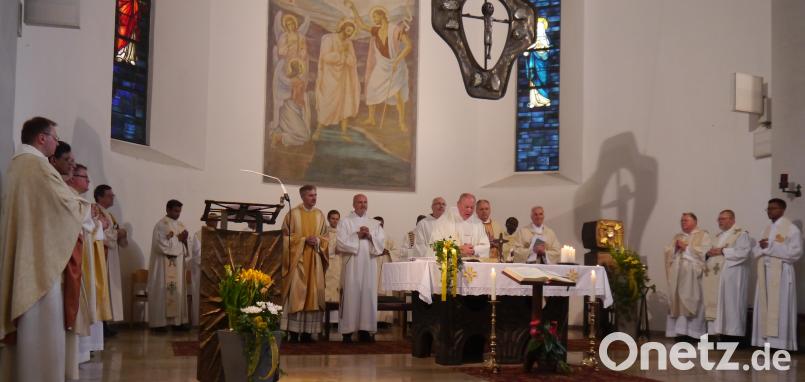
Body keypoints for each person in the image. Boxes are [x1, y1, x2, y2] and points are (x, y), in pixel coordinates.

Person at [0, 117, 88, 382]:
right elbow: (64, 205)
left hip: (29, 253)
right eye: (55, 138)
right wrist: (85, 207)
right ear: (42, 138)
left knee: (30, 325)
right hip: (40, 262)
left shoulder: (18, 165)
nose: (56, 143)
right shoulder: (38, 167)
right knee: (42, 325)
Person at [346, 1, 412, 131]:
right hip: (382, 66)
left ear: (382, 16)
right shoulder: (375, 30)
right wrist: (353, 8)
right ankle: (371, 119)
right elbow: (361, 25)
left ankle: (402, 122)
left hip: (395, 66)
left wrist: (397, 61)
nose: (374, 19)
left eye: (375, 17)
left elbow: (409, 46)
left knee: (397, 94)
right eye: (373, 18)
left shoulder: (395, 30)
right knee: (371, 88)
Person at [67, 165, 109, 365]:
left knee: (92, 298)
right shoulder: (72, 198)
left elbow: (93, 226)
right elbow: (84, 225)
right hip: (80, 259)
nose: (88, 182)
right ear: (73, 177)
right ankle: (82, 349)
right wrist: (97, 222)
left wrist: (98, 222)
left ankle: (88, 347)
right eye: (85, 177)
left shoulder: (84, 202)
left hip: (89, 257)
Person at [280, 185, 330, 343]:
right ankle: (294, 332)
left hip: (314, 260)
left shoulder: (320, 215)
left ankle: (308, 332)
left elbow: (326, 237)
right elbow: (284, 237)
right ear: (302, 197)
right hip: (298, 262)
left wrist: (318, 241)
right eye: (310, 195)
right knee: (297, 293)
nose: (314, 198)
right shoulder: (293, 214)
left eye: (315, 195)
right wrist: (303, 240)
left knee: (313, 295)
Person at [752, 198, 802, 350]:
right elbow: (757, 250)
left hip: (781, 273)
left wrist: (771, 247)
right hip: (766, 272)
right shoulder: (766, 229)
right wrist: (761, 247)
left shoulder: (792, 229)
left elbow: (796, 253)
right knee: (765, 305)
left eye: (772, 208)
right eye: (768, 208)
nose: (769, 211)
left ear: (782, 209)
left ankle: (780, 343)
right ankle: (764, 342)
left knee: (780, 307)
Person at [336, 194, 385, 343]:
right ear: (353, 204)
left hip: (369, 265)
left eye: (365, 202)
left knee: (367, 295)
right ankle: (348, 332)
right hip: (352, 264)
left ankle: (365, 330)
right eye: (359, 202)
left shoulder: (374, 223)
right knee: (352, 294)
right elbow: (340, 243)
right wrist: (357, 235)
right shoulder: (345, 222)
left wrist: (370, 236)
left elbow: (380, 245)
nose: (363, 205)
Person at [703, 210, 752, 339]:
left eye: (723, 219)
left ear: (732, 220)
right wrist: (708, 254)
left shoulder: (741, 234)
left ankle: (732, 336)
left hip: (732, 278)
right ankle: (715, 335)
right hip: (717, 278)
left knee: (731, 306)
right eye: (719, 219)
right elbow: (709, 252)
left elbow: (744, 252)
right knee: (718, 306)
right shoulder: (718, 236)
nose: (720, 221)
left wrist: (723, 251)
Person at [665, 212, 712, 340]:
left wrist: (686, 248)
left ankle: (693, 334)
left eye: (686, 220)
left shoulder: (703, 235)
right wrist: (674, 248)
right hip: (678, 275)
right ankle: (679, 333)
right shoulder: (677, 236)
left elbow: (705, 253)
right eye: (681, 221)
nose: (683, 223)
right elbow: (668, 253)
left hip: (693, 277)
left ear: (695, 222)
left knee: (692, 301)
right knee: (677, 301)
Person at [312, 19, 360, 142]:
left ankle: (344, 133)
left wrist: (345, 56)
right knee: (327, 101)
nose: (349, 34)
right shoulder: (329, 39)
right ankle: (318, 130)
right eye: (348, 30)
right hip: (330, 77)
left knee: (345, 102)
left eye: (351, 32)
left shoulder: (349, 43)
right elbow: (325, 57)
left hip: (344, 78)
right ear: (343, 28)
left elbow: (353, 61)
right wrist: (341, 55)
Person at [147, 199, 190, 330]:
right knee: (163, 292)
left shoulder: (181, 225)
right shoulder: (161, 225)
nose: (178, 214)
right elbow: (162, 246)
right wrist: (179, 240)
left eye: (179, 211)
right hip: (163, 268)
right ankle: (160, 324)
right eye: (176, 211)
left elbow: (186, 246)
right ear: (168, 209)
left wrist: (185, 241)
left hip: (178, 266)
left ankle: (178, 323)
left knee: (177, 291)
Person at [94, 185, 129, 330]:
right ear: (100, 197)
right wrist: (117, 234)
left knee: (109, 290)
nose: (112, 197)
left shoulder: (109, 215)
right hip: (102, 255)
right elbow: (98, 232)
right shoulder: (95, 211)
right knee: (103, 289)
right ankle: (101, 325)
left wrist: (122, 234)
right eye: (109, 195)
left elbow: (111, 233)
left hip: (111, 256)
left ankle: (106, 323)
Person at [430, 193, 490, 259]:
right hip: (450, 265)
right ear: (458, 205)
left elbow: (485, 246)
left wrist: (473, 250)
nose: (469, 210)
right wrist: (457, 250)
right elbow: (435, 245)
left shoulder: (478, 224)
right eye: (466, 207)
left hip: (473, 264)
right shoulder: (443, 221)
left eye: (472, 207)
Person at [189, 214, 218, 327]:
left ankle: (214, 322)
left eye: (217, 220)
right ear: (207, 221)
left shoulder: (219, 234)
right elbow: (196, 254)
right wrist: (208, 260)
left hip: (215, 271)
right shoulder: (198, 234)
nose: (216, 222)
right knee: (201, 297)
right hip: (202, 271)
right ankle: (199, 322)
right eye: (213, 220)